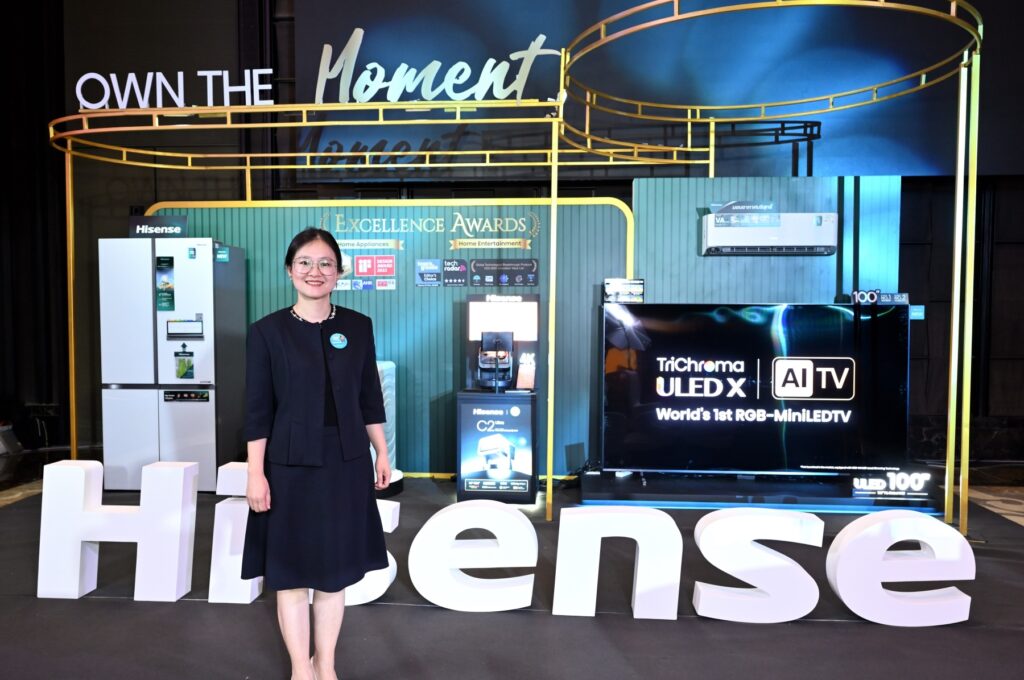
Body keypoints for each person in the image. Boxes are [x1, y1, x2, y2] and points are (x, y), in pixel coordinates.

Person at [241, 227, 391, 680]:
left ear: (339, 272)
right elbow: (257, 411)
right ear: (289, 270)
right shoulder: (266, 332)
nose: (315, 271)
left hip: (345, 464)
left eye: (326, 263)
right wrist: (255, 474)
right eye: (305, 262)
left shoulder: (358, 327)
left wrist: (381, 452)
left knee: (334, 572)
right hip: (287, 468)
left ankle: (326, 665)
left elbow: (369, 398)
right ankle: (299, 669)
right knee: (289, 574)